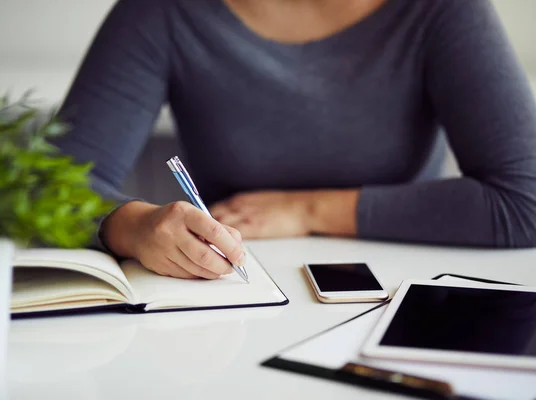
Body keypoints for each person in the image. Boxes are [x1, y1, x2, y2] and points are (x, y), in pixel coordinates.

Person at [55, 0, 536, 280]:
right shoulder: (160, 13)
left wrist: (306, 210)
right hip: (232, 303)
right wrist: (135, 228)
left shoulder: (443, 11)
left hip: (397, 298)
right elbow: (47, 187)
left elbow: (526, 198)